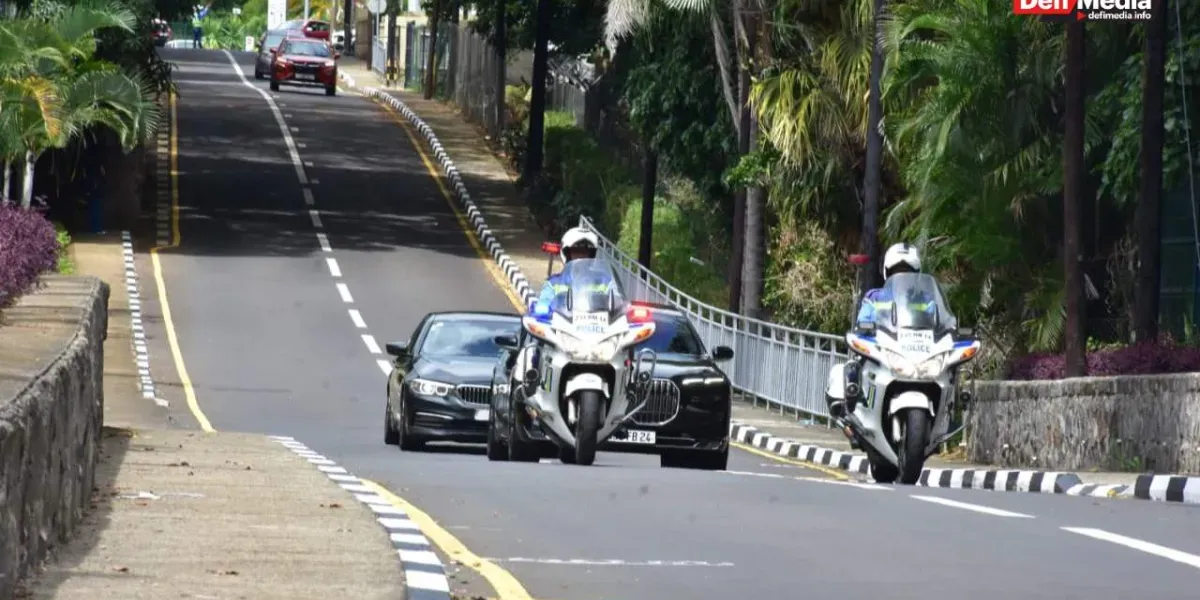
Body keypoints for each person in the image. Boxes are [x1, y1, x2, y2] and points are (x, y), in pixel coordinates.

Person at [823, 243, 922, 446]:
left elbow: (937, 321)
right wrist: (865, 330)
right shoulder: (875, 297)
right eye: (896, 271)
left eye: (907, 272)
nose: (901, 276)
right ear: (887, 273)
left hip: (914, 356)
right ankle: (852, 418)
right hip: (883, 352)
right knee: (852, 369)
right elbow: (863, 322)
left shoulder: (924, 299)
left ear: (916, 274)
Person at [514, 227, 602, 389]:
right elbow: (543, 303)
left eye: (585, 252)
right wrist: (541, 309)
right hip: (561, 335)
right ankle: (527, 381)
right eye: (576, 251)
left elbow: (617, 301)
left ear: (592, 255)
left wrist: (624, 309)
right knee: (531, 349)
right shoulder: (554, 283)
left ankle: (631, 385)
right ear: (567, 254)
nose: (581, 256)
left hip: (595, 336)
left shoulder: (603, 282)